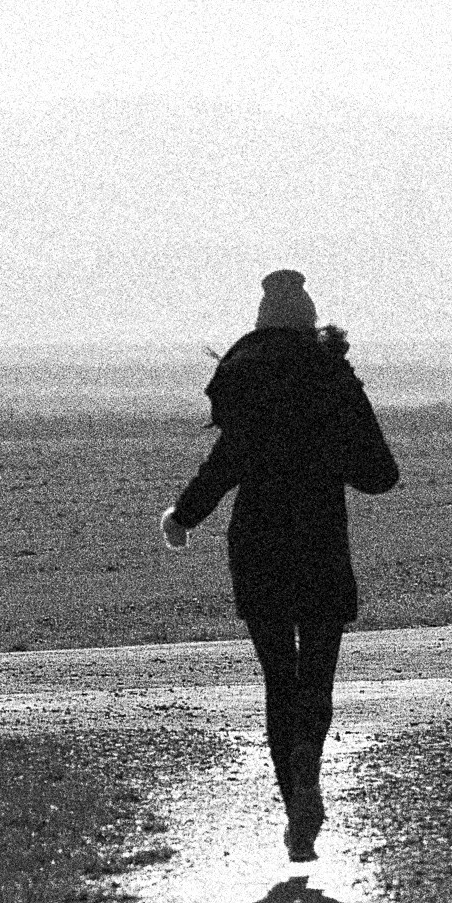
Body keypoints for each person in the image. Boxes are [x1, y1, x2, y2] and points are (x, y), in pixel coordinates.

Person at [161, 266, 400, 857]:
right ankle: (308, 780)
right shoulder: (332, 374)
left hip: (258, 541)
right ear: (309, 313)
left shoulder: (245, 375)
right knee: (317, 676)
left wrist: (184, 516)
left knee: (278, 680)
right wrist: (325, 454)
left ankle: (293, 802)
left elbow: (225, 461)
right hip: (320, 537)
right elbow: (380, 473)